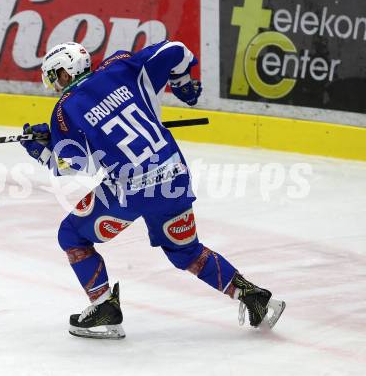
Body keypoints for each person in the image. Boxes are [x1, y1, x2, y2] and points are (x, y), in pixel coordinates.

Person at [21, 41, 285, 339]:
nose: (55, 85)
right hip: (174, 175)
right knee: (186, 252)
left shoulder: (65, 109)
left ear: (66, 73)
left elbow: (72, 165)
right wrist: (182, 84)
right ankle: (255, 298)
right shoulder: (121, 65)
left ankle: (104, 306)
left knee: (72, 235)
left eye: (55, 77)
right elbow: (176, 49)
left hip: (131, 190)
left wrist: (41, 149)